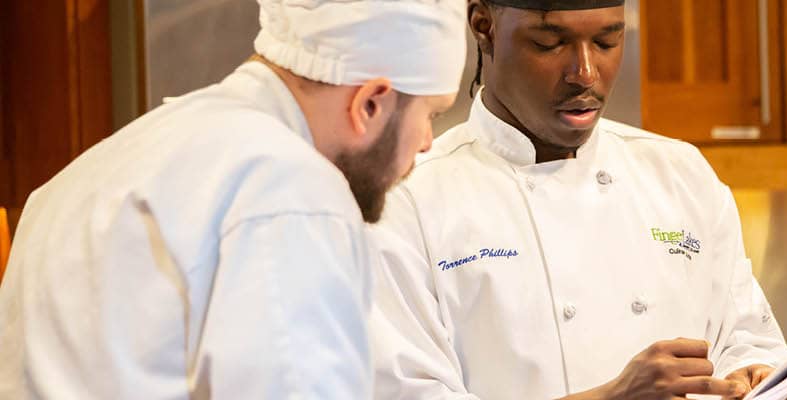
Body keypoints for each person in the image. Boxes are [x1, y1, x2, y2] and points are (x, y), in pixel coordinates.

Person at [0, 0, 465, 398]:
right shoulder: (290, 189)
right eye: (430, 113)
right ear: (370, 104)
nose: (427, 141)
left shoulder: (101, 163)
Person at [369, 0, 787, 399]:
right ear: (483, 25)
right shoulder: (407, 199)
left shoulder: (680, 172)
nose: (584, 72)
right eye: (549, 43)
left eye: (606, 41)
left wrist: (756, 373)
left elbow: (744, 336)